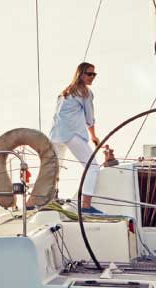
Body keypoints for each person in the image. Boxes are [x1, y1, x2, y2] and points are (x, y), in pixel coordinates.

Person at [49, 62, 104, 214]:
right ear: (80, 74)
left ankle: (49, 201)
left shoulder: (66, 91)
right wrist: (94, 137)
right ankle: (86, 206)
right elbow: (89, 118)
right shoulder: (85, 92)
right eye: (89, 74)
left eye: (94, 74)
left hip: (55, 134)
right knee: (92, 167)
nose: (92, 77)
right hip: (71, 133)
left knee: (54, 169)